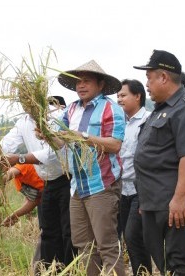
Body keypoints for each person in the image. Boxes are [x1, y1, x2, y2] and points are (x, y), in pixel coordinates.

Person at [133, 49, 185, 275]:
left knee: (180, 260)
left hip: (173, 202)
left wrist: (179, 198)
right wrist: (145, 201)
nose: (146, 84)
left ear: (164, 77)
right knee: (163, 260)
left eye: (149, 78)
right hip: (154, 200)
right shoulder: (160, 111)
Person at [49, 60, 125, 275]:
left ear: (100, 85)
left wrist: (82, 136)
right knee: (84, 246)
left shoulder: (111, 109)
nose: (80, 86)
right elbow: (60, 142)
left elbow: (115, 145)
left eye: (86, 81)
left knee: (107, 246)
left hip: (101, 184)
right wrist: (47, 135)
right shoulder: (72, 109)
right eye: (77, 82)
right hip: (77, 186)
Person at [1, 95, 75, 268]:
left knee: (68, 231)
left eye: (28, 98)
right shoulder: (23, 122)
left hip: (66, 180)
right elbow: (7, 144)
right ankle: (50, 270)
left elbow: (49, 155)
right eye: (21, 99)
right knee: (48, 231)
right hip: (47, 183)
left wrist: (18, 159)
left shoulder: (57, 117)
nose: (25, 103)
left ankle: (71, 269)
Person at [116, 79, 152, 275]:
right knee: (119, 238)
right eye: (118, 96)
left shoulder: (149, 120)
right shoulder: (118, 123)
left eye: (123, 95)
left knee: (133, 237)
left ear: (138, 96)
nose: (119, 99)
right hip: (120, 189)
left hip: (140, 189)